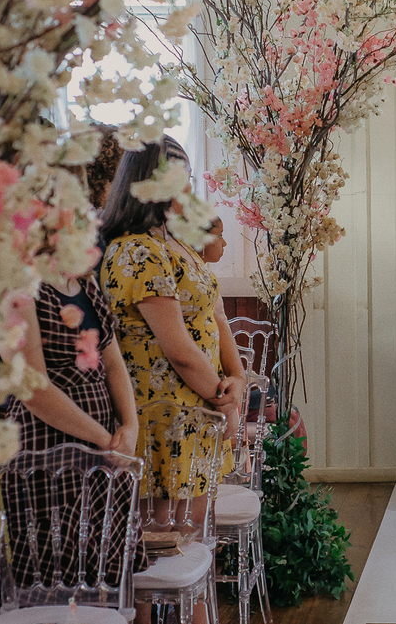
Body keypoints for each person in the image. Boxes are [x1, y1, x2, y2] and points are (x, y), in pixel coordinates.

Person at [99, 136, 243, 514]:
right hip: (165, 417)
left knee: (196, 537)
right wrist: (224, 400)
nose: (190, 191)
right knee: (172, 536)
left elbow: (214, 314)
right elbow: (179, 351)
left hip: (196, 409)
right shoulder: (137, 250)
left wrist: (237, 379)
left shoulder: (172, 242)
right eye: (185, 180)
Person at [0, 271, 146, 587]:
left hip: (103, 449)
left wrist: (130, 425)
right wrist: (103, 439)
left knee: (110, 576)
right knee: (62, 578)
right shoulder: (20, 287)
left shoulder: (85, 283)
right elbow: (33, 388)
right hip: (50, 449)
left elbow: (114, 364)